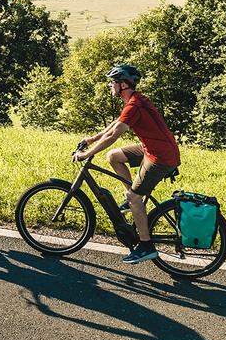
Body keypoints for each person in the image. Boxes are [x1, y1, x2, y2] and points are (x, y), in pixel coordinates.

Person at [73, 64, 180, 264]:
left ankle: (146, 245)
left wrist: (87, 153)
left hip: (161, 157)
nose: (110, 86)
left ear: (122, 84)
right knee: (114, 156)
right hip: (151, 149)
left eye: (112, 83)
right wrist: (91, 139)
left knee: (134, 197)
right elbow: (116, 123)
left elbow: (114, 135)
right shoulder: (133, 100)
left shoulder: (134, 105)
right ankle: (134, 202)